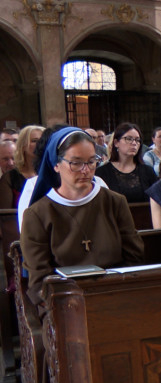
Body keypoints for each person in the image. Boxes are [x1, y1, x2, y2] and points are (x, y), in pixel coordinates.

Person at [20, 127, 144, 304]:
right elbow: (40, 281)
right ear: (56, 164)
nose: (86, 170)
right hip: (63, 302)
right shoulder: (37, 214)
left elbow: (134, 258)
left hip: (116, 295)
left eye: (92, 161)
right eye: (76, 163)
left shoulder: (115, 202)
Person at [95, 123, 158, 203]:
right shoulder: (102, 173)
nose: (134, 143)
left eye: (137, 140)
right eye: (128, 139)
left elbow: (158, 200)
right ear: (116, 143)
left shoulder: (148, 171)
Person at [0, 125, 44, 209]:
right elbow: (6, 214)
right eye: (34, 141)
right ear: (23, 145)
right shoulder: (9, 178)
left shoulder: (55, 172)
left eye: (43, 140)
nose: (40, 144)